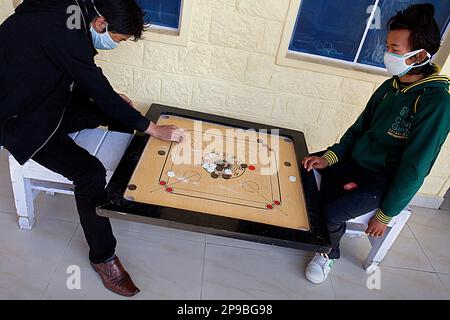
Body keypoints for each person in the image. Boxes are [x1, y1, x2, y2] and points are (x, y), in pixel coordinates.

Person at [0, 0, 185, 297]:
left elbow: (76, 67)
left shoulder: (73, 9)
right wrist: (153, 129)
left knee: (115, 108)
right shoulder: (64, 28)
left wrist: (108, 98)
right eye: (119, 40)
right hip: (22, 121)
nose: (117, 45)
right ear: (101, 24)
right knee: (90, 174)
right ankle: (104, 257)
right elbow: (85, 71)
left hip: (47, 97)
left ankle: (125, 191)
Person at [302, 3, 449, 284]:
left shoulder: (437, 100)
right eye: (388, 47)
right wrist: (331, 157)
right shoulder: (392, 86)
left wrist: (385, 214)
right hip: (356, 160)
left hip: (383, 179)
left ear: (419, 55)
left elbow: (415, 167)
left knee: (332, 210)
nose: (387, 54)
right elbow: (358, 130)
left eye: (395, 50)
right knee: (304, 167)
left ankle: (328, 252)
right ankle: (315, 230)